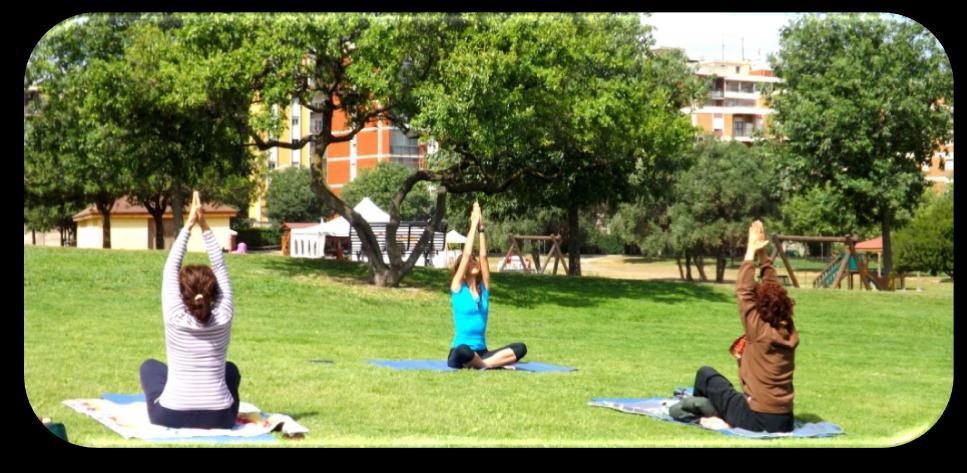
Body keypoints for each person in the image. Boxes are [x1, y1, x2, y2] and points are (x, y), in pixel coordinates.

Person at [139, 192, 240, 429]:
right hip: (222, 418)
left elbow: (171, 267)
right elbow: (220, 266)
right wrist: (204, 224)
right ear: (213, 291)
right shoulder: (224, 315)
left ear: (182, 294)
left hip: (169, 416)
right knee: (230, 370)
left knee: (150, 367)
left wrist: (189, 226)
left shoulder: (174, 315)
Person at [690, 220, 799, 433]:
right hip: (785, 420)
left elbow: (743, 291)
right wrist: (763, 256)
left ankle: (703, 414)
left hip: (756, 419)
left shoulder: (758, 329)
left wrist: (751, 250)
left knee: (706, 375)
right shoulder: (789, 328)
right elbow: (773, 289)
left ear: (761, 308)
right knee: (734, 395)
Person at [447, 202, 527, 369]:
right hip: (461, 351)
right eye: (470, 262)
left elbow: (483, 257)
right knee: (463, 351)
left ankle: (482, 364)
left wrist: (482, 229)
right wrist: (474, 222)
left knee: (520, 348)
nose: (474, 261)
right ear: (463, 268)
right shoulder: (457, 288)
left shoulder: (484, 289)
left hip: (482, 352)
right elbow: (467, 252)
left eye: (474, 261)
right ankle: (488, 364)